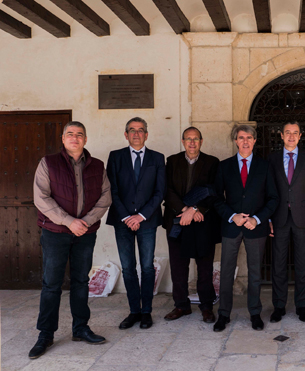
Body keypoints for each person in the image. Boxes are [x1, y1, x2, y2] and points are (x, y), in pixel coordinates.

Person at [30, 121, 111, 359]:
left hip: (85, 234)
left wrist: (84, 221)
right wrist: (69, 221)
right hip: (55, 233)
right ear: (63, 139)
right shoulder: (48, 163)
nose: (74, 138)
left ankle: (80, 328)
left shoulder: (97, 165)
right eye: (70, 134)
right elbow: (41, 197)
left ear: (85, 139)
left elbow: (105, 197)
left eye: (79, 135)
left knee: (80, 282)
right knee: (51, 283)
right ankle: (45, 334)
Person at [212, 124, 278, 332]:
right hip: (232, 226)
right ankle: (223, 314)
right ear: (235, 141)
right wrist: (233, 216)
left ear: (255, 140)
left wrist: (257, 219)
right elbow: (216, 198)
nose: (245, 141)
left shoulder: (264, 166)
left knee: (255, 272)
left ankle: (255, 313)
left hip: (256, 228)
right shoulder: (224, 166)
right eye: (241, 138)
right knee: (226, 272)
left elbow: (273, 198)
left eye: (249, 137)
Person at [106, 117, 165, 330]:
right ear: (126, 134)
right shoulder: (115, 157)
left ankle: (147, 312)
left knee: (147, 267)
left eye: (141, 130)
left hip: (147, 222)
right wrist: (126, 217)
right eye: (132, 130)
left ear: (146, 135)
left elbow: (160, 192)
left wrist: (141, 216)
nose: (137, 134)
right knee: (129, 268)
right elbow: (112, 190)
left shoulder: (157, 158)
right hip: (122, 221)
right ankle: (134, 311)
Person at [163, 127, 220, 323]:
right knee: (178, 267)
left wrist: (194, 210)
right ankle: (181, 305)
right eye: (189, 139)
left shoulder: (212, 163)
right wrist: (182, 211)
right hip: (177, 221)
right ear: (183, 141)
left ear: (201, 141)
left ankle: (206, 307)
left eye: (196, 139)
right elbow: (167, 190)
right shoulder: (172, 161)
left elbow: (215, 192)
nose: (192, 143)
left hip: (201, 222)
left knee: (204, 268)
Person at [268, 121, 305, 323]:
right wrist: (268, 219)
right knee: (278, 265)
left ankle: (301, 306)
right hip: (279, 218)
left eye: (295, 133)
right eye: (287, 133)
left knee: (302, 264)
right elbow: (268, 191)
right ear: (281, 135)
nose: (291, 136)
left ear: (300, 136)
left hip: (303, 219)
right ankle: (278, 306)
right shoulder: (272, 158)